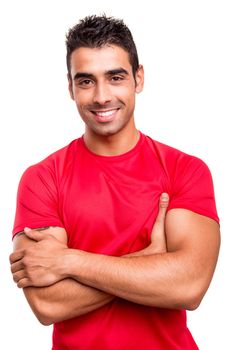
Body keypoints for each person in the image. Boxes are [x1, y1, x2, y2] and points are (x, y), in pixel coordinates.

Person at [10, 15, 220, 350]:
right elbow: (49, 304)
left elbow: (189, 286)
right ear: (70, 87)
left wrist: (70, 261)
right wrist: (150, 260)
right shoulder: (42, 179)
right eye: (86, 81)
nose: (102, 96)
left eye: (115, 77)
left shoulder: (185, 170)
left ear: (139, 78)